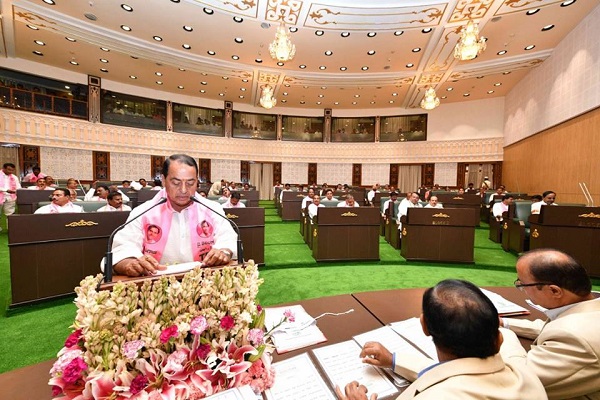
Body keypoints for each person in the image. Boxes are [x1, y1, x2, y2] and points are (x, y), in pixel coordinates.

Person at [337, 279, 547, 400]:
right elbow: (460, 369)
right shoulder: (525, 371)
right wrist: (394, 360)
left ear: (424, 326)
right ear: (498, 339)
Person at [110, 154, 237, 277]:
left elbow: (228, 239)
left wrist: (223, 252)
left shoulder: (212, 209)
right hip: (156, 283)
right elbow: (123, 249)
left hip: (205, 280)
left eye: (190, 183)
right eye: (176, 183)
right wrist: (130, 263)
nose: (183, 190)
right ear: (164, 180)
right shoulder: (144, 212)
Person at [499, 249, 600, 399]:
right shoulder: (587, 309)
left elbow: (519, 380)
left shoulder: (576, 339)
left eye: (523, 285)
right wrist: (503, 322)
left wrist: (501, 333)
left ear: (554, 291)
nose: (522, 289)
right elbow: (553, 327)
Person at [0, 163, 21, 230]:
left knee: (10, 214)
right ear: (3, 168)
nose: (10, 171)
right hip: (1, 196)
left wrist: (17, 191)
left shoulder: (14, 177)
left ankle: (10, 229)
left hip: (10, 197)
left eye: (12, 170)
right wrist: (6, 190)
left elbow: (18, 187)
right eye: (9, 169)